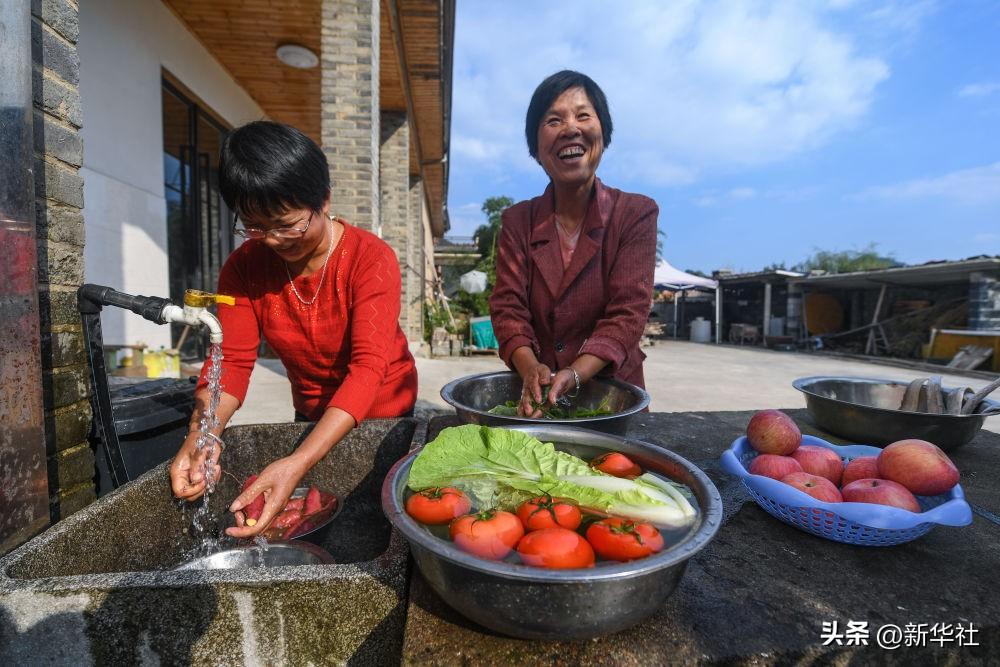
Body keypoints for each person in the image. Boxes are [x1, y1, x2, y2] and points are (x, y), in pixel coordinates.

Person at [169, 120, 417, 537]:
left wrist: (298, 460)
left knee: (378, 518)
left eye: (287, 224)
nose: (272, 240)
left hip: (383, 413)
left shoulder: (370, 259)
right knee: (321, 521)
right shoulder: (245, 267)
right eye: (254, 225)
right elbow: (230, 360)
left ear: (324, 199)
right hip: (311, 410)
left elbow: (368, 368)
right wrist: (203, 434)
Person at [489, 70, 657, 417]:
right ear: (535, 147)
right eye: (553, 120)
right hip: (534, 401)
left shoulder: (635, 213)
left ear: (603, 133)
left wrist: (576, 372)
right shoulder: (518, 221)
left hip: (611, 400)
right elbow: (508, 309)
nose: (570, 128)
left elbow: (628, 313)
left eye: (583, 115)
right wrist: (530, 367)